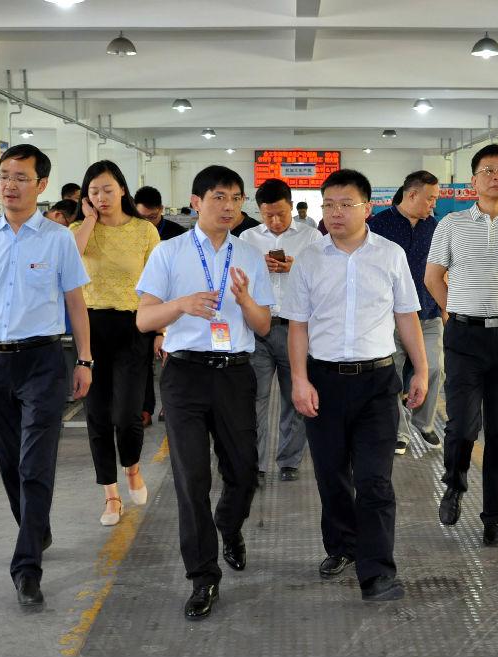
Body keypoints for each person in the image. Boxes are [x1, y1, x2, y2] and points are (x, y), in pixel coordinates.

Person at [281, 169, 428, 602]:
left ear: (368, 208)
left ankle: (378, 572)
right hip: (324, 382)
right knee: (331, 476)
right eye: (328, 205)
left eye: (346, 204)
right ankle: (342, 546)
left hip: (377, 383)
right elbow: (297, 326)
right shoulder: (309, 258)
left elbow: (406, 316)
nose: (336, 212)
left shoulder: (390, 255)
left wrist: (421, 370)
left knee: (374, 480)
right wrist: (299, 380)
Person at [136, 165, 274, 621]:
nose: (229, 206)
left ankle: (229, 525)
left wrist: (246, 301)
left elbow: (263, 326)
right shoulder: (169, 252)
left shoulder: (250, 254)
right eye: (219, 197)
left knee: (244, 471)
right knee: (191, 479)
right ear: (196, 202)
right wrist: (181, 305)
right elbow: (144, 319)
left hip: (235, 374)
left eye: (236, 198)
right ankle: (203, 577)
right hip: (185, 375)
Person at [0, 144, 92, 607]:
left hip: (42, 362)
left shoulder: (58, 240)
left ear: (41, 184)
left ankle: (27, 567)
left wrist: (85, 360)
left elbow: (76, 304)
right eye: (4, 176)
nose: (9, 185)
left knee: (36, 462)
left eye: (20, 177)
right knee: (9, 462)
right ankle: (36, 527)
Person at [424, 144, 498, 547]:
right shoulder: (451, 224)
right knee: (461, 426)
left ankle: (494, 515)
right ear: (473, 180)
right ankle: (455, 485)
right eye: (489, 170)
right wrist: (457, 309)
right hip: (464, 337)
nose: (497, 177)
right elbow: (433, 277)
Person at [69, 161, 160, 526]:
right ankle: (110, 495)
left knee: (126, 414)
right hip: (90, 327)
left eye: (107, 189)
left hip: (133, 326)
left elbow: (157, 284)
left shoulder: (144, 231)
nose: (101, 197)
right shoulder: (77, 229)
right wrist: (89, 221)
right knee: (97, 416)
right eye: (93, 192)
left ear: (122, 189)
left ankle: (132, 468)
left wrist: (160, 331)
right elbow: (68, 262)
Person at [239, 178, 321, 485]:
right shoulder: (247, 238)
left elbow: (324, 278)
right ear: (259, 211)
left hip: (295, 330)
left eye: (281, 214)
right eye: (268, 215)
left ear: (292, 207)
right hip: (257, 330)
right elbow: (235, 280)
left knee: (295, 398)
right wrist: (256, 268)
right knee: (254, 400)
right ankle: (255, 464)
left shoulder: (311, 237)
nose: (275, 221)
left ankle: (289, 460)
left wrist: (295, 268)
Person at [368, 171, 444, 454]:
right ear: (412, 195)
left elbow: (445, 269)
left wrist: (445, 307)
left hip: (428, 313)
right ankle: (400, 432)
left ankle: (424, 423)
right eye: (430, 199)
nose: (433, 205)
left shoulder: (435, 228)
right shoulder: (378, 226)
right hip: (389, 317)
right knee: (394, 374)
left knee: (434, 368)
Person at [132, 185, 185, 427]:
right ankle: (145, 408)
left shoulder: (177, 235)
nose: (148, 222)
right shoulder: (131, 232)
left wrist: (162, 329)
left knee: (169, 358)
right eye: (142, 217)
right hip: (139, 303)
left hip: (170, 306)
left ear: (161, 210)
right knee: (141, 362)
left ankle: (169, 404)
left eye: (152, 217)